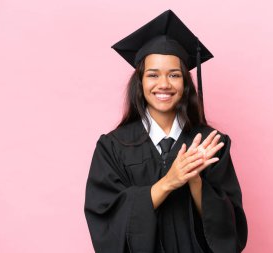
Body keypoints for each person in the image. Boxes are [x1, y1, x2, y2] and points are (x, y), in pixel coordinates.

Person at [84, 10, 248, 253]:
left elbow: (230, 228)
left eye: (174, 75)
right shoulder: (112, 147)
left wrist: (194, 180)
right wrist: (169, 182)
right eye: (153, 75)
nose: (164, 84)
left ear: (185, 83)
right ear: (140, 83)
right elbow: (105, 220)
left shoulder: (209, 143)